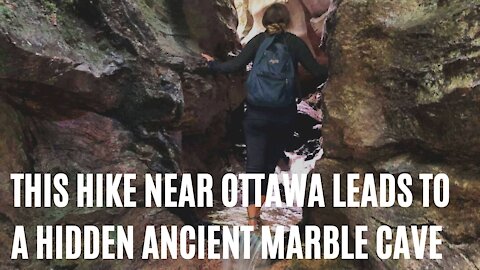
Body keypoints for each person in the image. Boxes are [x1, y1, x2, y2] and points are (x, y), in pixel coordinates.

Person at [202, 3, 328, 227]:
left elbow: (234, 66)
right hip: (283, 116)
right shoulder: (295, 44)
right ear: (288, 22)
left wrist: (212, 65)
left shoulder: (258, 42)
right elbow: (317, 71)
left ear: (264, 21)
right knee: (269, 167)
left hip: (256, 115)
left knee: (254, 168)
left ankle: (252, 219)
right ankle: (257, 213)